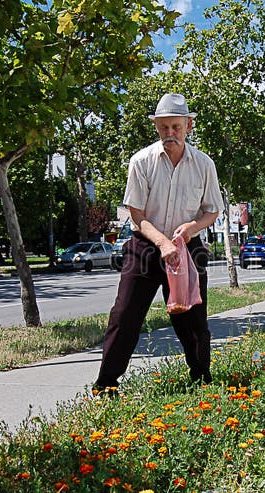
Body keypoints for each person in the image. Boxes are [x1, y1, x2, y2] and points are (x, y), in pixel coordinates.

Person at [95, 93, 224, 393]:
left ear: (188, 125)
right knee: (125, 314)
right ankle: (105, 385)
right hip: (146, 247)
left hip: (187, 249)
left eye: (176, 127)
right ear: (156, 127)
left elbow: (212, 210)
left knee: (193, 320)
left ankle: (201, 381)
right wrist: (163, 243)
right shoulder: (141, 161)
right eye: (163, 127)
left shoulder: (204, 165)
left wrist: (192, 228)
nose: (170, 134)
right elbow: (136, 213)